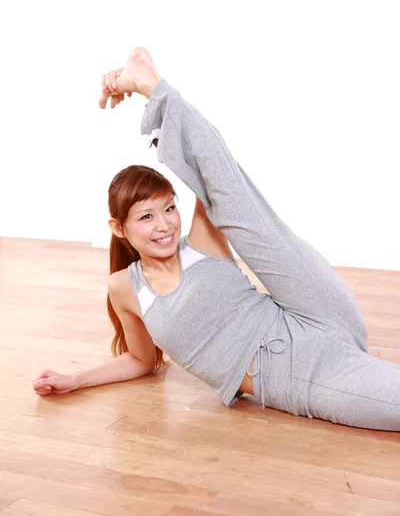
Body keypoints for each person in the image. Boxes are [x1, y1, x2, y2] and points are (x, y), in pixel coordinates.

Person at [33, 47, 400, 431]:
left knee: (235, 202)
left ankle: (152, 84)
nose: (165, 225)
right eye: (146, 216)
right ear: (118, 228)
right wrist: (75, 380)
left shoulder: (200, 244)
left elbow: (217, 169)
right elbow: (141, 361)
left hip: (314, 309)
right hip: (297, 373)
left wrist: (157, 93)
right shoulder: (124, 287)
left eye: (169, 209)